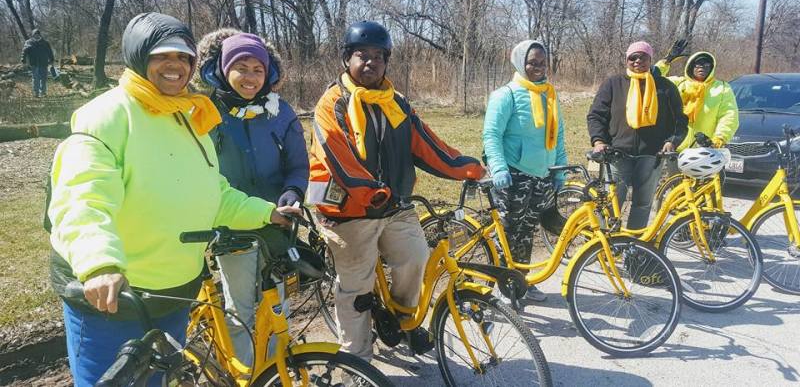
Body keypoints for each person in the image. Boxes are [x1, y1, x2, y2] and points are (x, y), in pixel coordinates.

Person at [47, 12, 298, 387]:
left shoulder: (187, 118)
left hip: (175, 295)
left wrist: (267, 213)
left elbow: (214, 193)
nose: (175, 65)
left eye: (183, 57)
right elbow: (82, 197)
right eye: (162, 55)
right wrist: (99, 263)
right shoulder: (107, 115)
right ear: (137, 57)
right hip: (115, 300)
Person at [308, 21, 484, 361]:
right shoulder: (331, 104)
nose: (371, 62)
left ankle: (405, 322)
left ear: (387, 61)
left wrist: (470, 168)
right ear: (347, 59)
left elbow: (429, 147)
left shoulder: (396, 103)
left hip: (392, 204)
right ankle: (358, 362)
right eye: (362, 55)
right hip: (345, 208)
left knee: (415, 258)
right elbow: (339, 161)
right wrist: (371, 192)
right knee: (356, 289)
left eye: (379, 56)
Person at [196, 29, 309, 366]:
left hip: (278, 223)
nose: (250, 77)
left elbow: (298, 165)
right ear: (222, 69)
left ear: (269, 73)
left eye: (257, 69)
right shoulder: (206, 112)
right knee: (241, 307)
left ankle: (275, 371)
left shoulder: (281, 113)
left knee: (277, 303)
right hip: (233, 227)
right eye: (240, 68)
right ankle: (248, 373)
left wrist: (292, 193)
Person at [482, 39, 567, 302]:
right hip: (512, 176)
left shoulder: (549, 95)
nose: (538, 67)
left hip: (541, 176)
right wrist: (498, 168)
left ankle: (521, 283)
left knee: (527, 232)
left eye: (542, 63)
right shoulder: (505, 95)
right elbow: (491, 134)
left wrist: (559, 170)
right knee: (508, 233)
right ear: (520, 63)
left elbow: (559, 135)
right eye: (532, 62)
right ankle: (502, 286)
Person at [587, 41, 688, 229]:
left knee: (642, 204)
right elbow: (596, 115)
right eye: (633, 57)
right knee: (612, 203)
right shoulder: (613, 84)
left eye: (643, 57)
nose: (638, 61)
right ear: (627, 60)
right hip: (617, 154)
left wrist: (672, 142)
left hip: (651, 155)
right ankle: (608, 246)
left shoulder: (665, 87)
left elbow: (680, 121)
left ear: (650, 60)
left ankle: (635, 248)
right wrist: (599, 140)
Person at [655, 44, 739, 156]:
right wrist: (666, 61)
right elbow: (652, 79)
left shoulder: (722, 88)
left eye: (706, 64)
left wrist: (719, 138)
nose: (701, 67)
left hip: (706, 151)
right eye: (698, 64)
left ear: (711, 68)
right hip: (674, 149)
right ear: (690, 66)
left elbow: (729, 116)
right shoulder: (678, 83)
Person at [20, 28, 55, 97]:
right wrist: (23, 59)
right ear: (33, 35)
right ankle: (36, 93)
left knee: (43, 78)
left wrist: (51, 60)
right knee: (35, 79)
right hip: (34, 63)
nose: (37, 35)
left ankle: (43, 92)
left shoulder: (45, 43)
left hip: (44, 63)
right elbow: (24, 51)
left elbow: (50, 52)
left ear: (40, 35)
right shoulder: (29, 42)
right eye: (35, 34)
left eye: (38, 34)